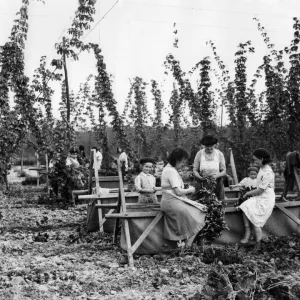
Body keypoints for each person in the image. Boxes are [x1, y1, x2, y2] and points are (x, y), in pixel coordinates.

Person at [160, 148, 206, 246]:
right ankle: (188, 243)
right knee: (199, 214)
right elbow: (178, 192)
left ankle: (188, 242)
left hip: (172, 200)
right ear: (176, 160)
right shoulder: (171, 171)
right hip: (171, 202)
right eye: (182, 162)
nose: (183, 165)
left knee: (200, 211)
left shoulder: (170, 169)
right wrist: (190, 190)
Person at [239, 148, 275, 250]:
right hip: (260, 196)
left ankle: (258, 244)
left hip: (266, 198)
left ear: (261, 159)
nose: (254, 162)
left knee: (256, 221)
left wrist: (247, 193)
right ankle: (248, 232)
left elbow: (260, 190)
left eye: (255, 160)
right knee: (244, 206)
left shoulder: (268, 172)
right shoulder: (262, 169)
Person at [193, 135, 226, 199]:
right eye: (207, 146)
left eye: (211, 146)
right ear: (204, 146)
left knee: (216, 201)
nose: (209, 148)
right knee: (203, 200)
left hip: (217, 183)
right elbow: (194, 170)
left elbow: (224, 171)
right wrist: (200, 178)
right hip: (202, 183)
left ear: (214, 145)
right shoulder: (199, 154)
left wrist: (216, 176)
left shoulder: (219, 154)